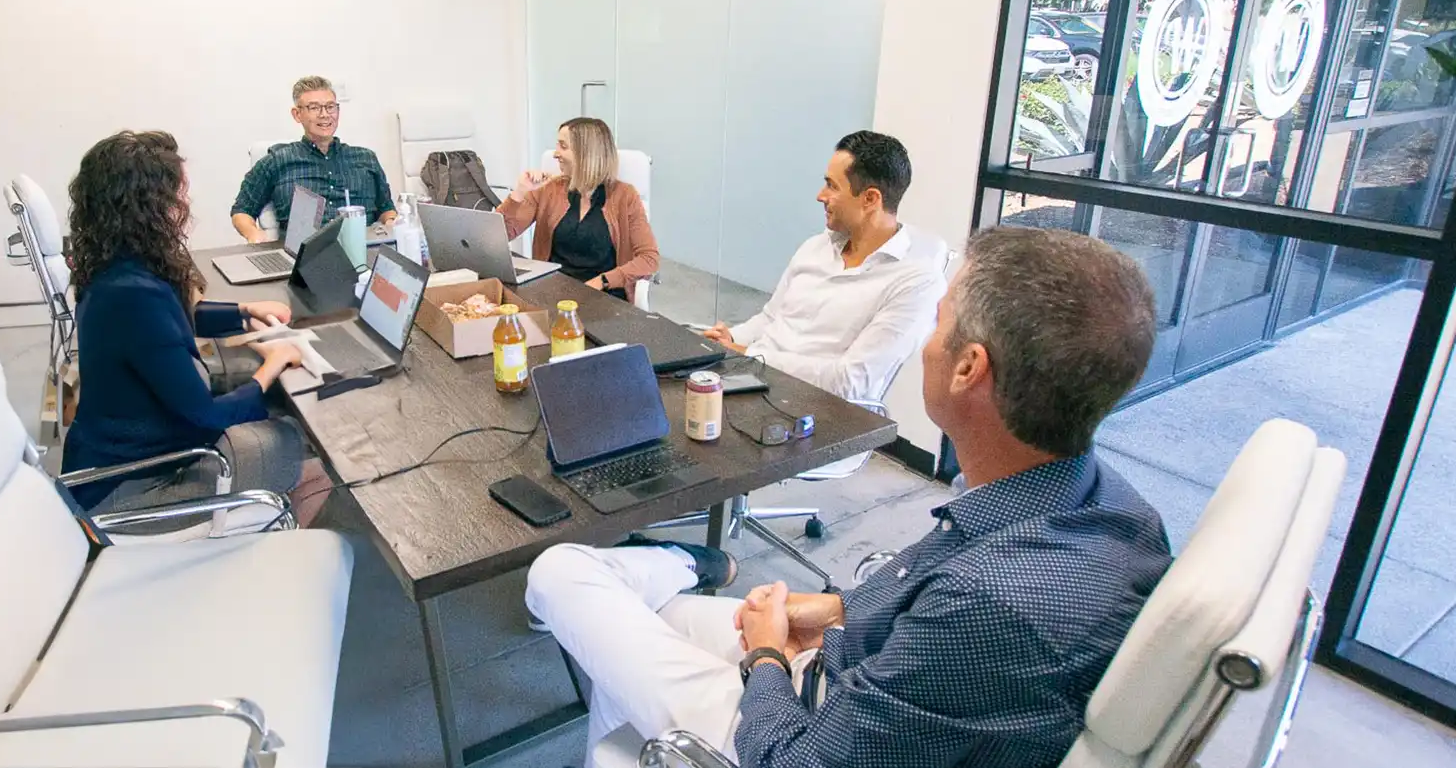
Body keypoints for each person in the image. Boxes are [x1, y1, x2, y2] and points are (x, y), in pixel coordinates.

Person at [526, 226, 1173, 768]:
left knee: (561, 574)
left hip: (800, 719)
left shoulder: (987, 605)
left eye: (938, 320)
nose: (925, 342)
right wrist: (840, 608)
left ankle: (678, 564)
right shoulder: (1116, 509)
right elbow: (934, 613)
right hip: (855, 667)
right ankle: (679, 572)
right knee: (628, 630)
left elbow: (797, 758)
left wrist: (767, 656)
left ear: (969, 367)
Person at [65, 130, 334, 527]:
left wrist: (243, 311)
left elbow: (168, 324)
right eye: (178, 194)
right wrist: (272, 364)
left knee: (289, 440)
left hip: (118, 456)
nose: (185, 203)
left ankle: (259, 520)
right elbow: (206, 416)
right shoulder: (135, 296)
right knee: (307, 454)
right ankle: (253, 552)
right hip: (131, 486)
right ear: (149, 207)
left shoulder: (116, 269)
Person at [704, 130, 946, 404]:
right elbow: (771, 318)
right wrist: (726, 340)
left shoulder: (916, 283)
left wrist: (747, 355)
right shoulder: (816, 248)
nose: (821, 195)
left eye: (832, 186)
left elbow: (849, 382)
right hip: (751, 380)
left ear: (870, 199)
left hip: (813, 407)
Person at [499, 117, 659, 299]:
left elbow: (649, 259)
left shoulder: (625, 196)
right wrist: (519, 193)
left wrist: (601, 282)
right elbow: (499, 237)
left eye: (563, 146)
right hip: (552, 292)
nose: (555, 154)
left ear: (586, 154)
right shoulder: (548, 190)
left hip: (604, 297)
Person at [231, 76, 398, 243]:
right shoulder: (277, 161)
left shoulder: (365, 158)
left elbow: (386, 209)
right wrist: (253, 234)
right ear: (297, 114)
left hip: (363, 251)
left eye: (330, 107)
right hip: (304, 258)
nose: (324, 115)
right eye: (314, 108)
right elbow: (241, 210)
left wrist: (392, 223)